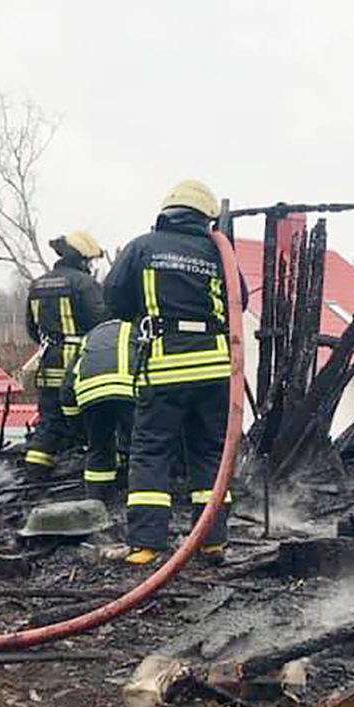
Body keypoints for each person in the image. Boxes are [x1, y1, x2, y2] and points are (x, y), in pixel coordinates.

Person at [103, 180, 245, 564]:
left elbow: (113, 298)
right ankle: (212, 540)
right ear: (206, 217)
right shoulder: (220, 254)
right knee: (211, 454)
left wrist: (146, 314)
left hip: (165, 366)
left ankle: (147, 545)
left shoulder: (142, 247)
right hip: (215, 370)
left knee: (151, 451)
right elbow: (240, 302)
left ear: (166, 212)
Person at [23, 230, 107, 476]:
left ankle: (34, 476)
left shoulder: (37, 284)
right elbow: (101, 322)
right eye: (89, 261)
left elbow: (31, 328)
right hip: (79, 367)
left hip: (48, 364)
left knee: (50, 421)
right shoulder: (85, 284)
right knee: (90, 420)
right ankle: (91, 473)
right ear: (81, 259)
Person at [60, 317, 136, 503]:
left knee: (99, 448)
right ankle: (138, 498)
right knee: (141, 447)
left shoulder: (89, 336)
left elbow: (67, 387)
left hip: (89, 392)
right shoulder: (138, 330)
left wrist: (82, 433)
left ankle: (96, 503)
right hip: (128, 389)